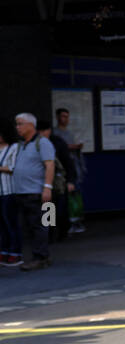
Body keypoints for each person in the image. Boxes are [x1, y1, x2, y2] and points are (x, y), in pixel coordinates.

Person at [9, 114, 55, 269]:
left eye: (20, 124)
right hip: (22, 192)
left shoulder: (42, 143)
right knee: (28, 226)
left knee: (39, 225)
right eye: (16, 124)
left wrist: (47, 188)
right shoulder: (21, 144)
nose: (17, 127)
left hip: (36, 192)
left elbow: (49, 165)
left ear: (30, 125)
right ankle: (38, 255)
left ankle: (41, 257)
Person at [37, 120, 75, 241]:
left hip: (59, 180)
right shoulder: (38, 143)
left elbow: (68, 163)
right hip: (48, 180)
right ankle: (49, 234)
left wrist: (70, 181)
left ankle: (62, 230)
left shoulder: (58, 143)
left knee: (60, 208)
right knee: (49, 207)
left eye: (44, 131)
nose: (41, 133)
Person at [52, 107, 86, 233]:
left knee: (73, 196)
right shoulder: (55, 134)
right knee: (58, 199)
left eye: (67, 117)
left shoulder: (69, 133)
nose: (65, 119)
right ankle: (55, 226)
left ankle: (73, 222)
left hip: (69, 168)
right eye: (63, 116)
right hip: (58, 172)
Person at [0, 125, 22, 266]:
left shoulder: (14, 147)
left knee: (10, 222)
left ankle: (15, 253)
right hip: (0, 192)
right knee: (2, 224)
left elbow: (14, 168)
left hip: (9, 191)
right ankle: (4, 251)